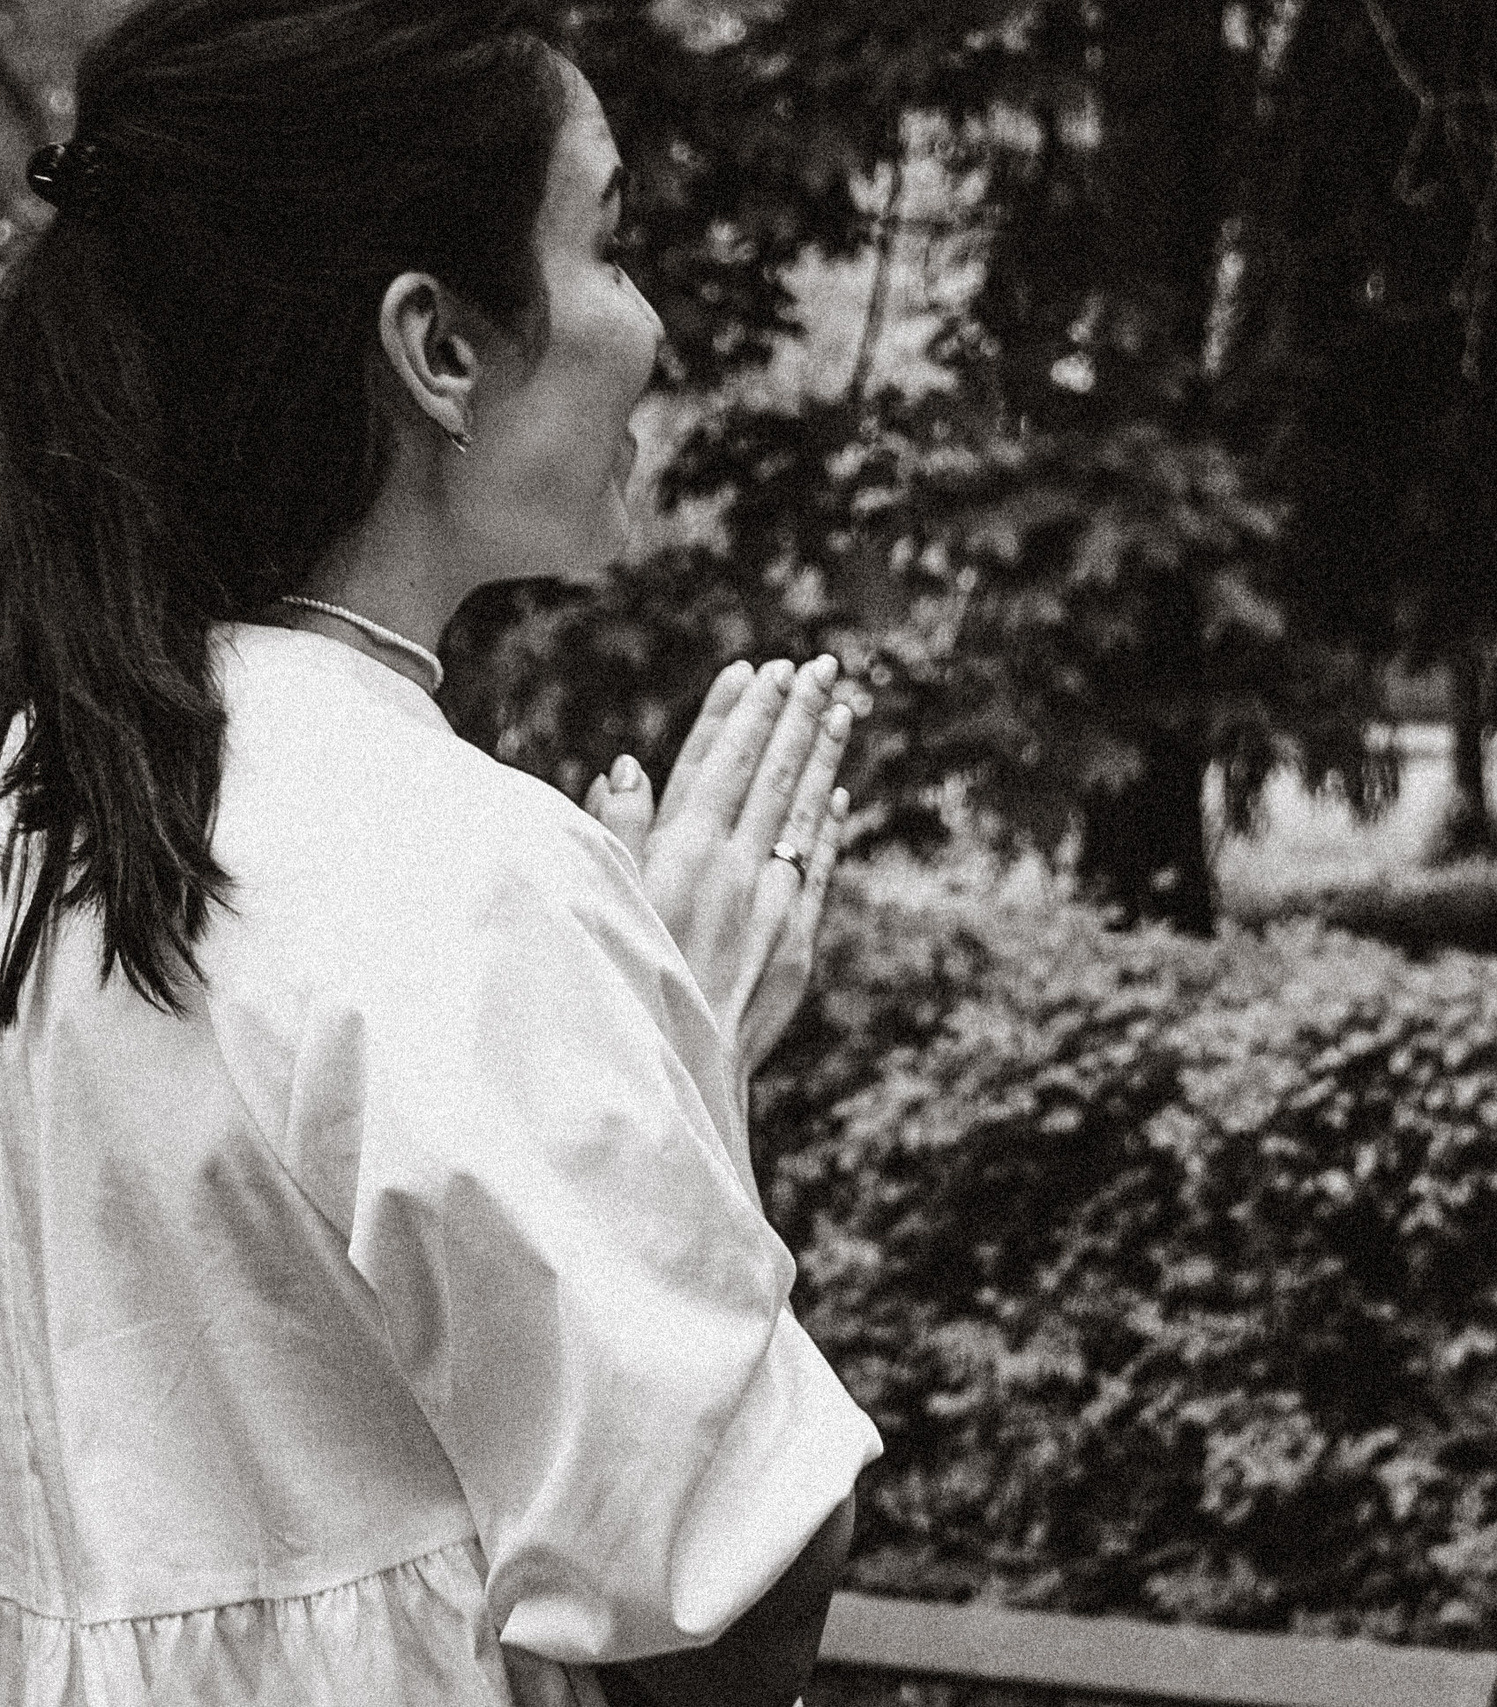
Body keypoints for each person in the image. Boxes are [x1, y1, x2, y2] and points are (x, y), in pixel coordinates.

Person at [0, 3, 879, 1703]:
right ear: (439, 348)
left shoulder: (45, 795)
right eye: (610, 241)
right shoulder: (451, 875)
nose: (656, 323)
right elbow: (724, 1605)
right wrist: (685, 1072)